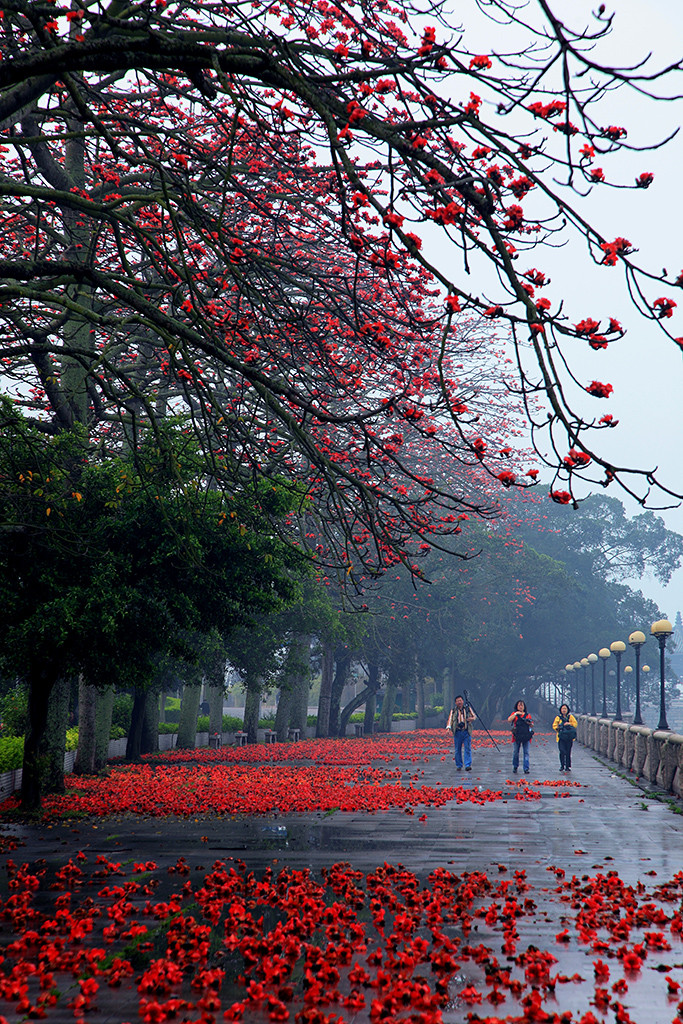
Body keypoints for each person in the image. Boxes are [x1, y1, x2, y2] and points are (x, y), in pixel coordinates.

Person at [447, 694, 476, 771]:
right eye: (457, 701)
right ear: (455, 703)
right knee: (457, 749)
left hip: (466, 731)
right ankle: (459, 765)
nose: (459, 702)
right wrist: (448, 728)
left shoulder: (467, 709)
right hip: (457, 732)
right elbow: (450, 720)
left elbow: (474, 717)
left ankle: (467, 765)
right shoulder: (453, 711)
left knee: (467, 748)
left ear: (463, 701)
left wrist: (471, 719)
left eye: (460, 700)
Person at [508, 700, 534, 774]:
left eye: (522, 705)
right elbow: (509, 720)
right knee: (516, 752)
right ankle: (515, 766)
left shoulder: (528, 715)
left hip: (526, 736)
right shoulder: (514, 714)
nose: (520, 707)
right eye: (519, 705)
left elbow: (532, 724)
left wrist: (529, 723)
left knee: (526, 752)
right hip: (517, 736)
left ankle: (526, 768)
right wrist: (516, 714)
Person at [552, 703, 578, 772]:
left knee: (568, 752)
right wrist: (559, 728)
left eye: (565, 709)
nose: (564, 710)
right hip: (561, 737)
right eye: (563, 708)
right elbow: (554, 725)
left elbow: (575, 724)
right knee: (562, 751)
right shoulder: (558, 718)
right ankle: (562, 765)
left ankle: (567, 766)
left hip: (569, 737)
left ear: (567, 710)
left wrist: (569, 724)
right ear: (560, 710)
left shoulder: (570, 717)